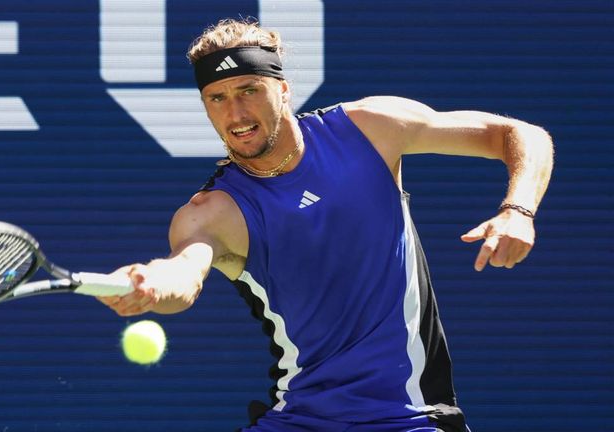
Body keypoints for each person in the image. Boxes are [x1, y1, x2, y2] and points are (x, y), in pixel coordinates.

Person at [93, 19, 554, 432]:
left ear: (284, 90)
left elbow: (519, 135)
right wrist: (150, 281)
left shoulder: (371, 129)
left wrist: (518, 210)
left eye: (249, 90)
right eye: (218, 98)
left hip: (410, 417)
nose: (235, 114)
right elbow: (185, 274)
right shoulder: (213, 211)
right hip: (297, 419)